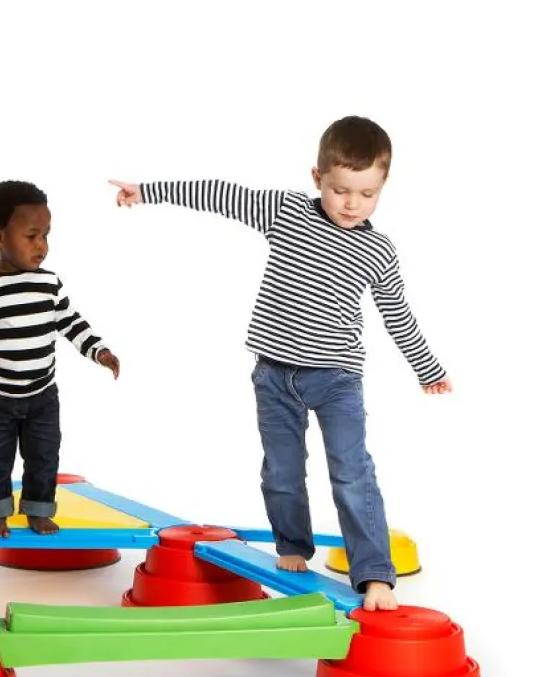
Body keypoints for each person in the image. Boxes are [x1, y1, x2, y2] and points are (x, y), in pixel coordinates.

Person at [110, 116, 450, 611]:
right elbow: (219, 194)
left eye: (367, 193)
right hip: (273, 375)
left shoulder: (378, 249)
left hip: (336, 380)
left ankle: (375, 573)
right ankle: (292, 545)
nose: (351, 203)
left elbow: (397, 313)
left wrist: (427, 368)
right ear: (317, 178)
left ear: (383, 186)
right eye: (339, 190)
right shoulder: (286, 211)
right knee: (281, 472)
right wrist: (148, 191)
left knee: (352, 472)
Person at [0, 180, 120, 538]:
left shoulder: (49, 284)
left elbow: (71, 322)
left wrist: (99, 351)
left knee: (44, 456)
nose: (41, 245)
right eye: (31, 236)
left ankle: (39, 510)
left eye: (46, 235)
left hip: (42, 395)